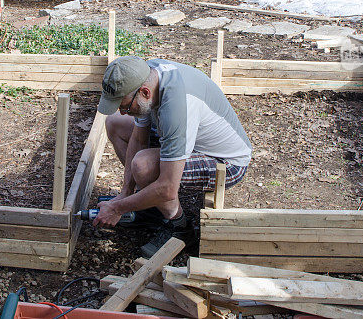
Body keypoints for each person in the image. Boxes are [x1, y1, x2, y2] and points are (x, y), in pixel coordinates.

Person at [93, 56, 251, 257]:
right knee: (115, 124)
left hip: (225, 162)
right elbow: (139, 140)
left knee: (143, 166)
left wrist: (117, 208)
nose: (123, 112)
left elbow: (168, 188)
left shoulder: (177, 106)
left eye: (124, 106)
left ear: (144, 93)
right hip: (189, 140)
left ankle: (179, 227)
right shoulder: (145, 75)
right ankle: (150, 208)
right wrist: (126, 193)